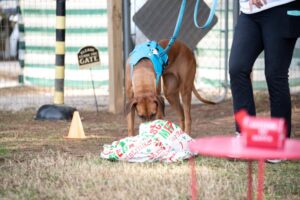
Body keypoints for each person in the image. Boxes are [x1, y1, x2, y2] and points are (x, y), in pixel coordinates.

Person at [229, 0, 300, 139]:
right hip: (249, 11)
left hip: (281, 7)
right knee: (237, 68)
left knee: (275, 74)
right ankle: (245, 133)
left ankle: (280, 140)